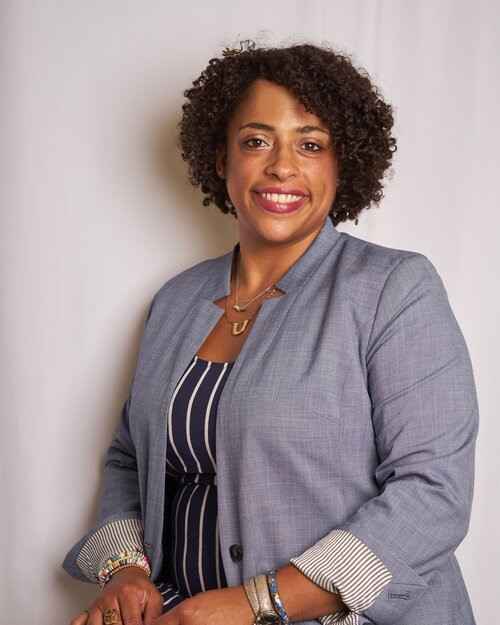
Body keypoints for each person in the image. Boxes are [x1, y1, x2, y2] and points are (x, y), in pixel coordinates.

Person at [64, 40, 479, 625]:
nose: (282, 166)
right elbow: (130, 458)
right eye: (256, 141)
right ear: (220, 159)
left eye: (311, 145)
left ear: (343, 164)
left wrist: (255, 603)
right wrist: (126, 573)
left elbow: (433, 493)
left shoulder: (393, 288)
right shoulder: (177, 301)